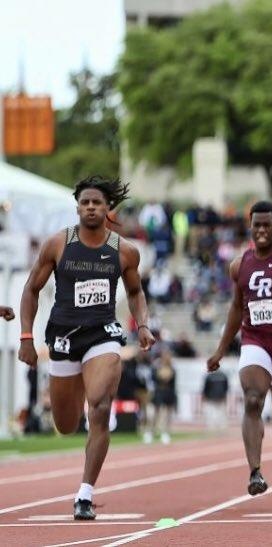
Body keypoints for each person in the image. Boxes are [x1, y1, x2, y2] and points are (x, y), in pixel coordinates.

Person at [18, 176, 155, 520]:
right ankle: (81, 404)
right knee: (66, 424)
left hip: (102, 333)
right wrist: (26, 339)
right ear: (77, 206)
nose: (91, 207)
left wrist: (144, 326)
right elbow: (31, 290)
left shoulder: (124, 250)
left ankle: (85, 493)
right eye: (85, 203)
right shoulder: (58, 244)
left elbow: (136, 293)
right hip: (63, 337)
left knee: (99, 406)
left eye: (97, 203)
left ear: (109, 208)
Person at [206, 201, 272, 496]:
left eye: (267, 224)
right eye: (257, 225)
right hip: (254, 340)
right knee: (253, 399)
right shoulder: (238, 265)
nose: (262, 230)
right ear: (250, 227)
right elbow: (235, 308)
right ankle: (255, 472)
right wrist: (220, 350)